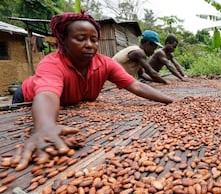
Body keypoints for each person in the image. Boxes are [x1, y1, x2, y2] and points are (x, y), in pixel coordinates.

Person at [11, 12, 174, 171]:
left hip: (70, 102)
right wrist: (45, 126)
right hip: (29, 99)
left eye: (94, 40)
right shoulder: (52, 63)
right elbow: (47, 94)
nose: (89, 44)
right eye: (80, 39)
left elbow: (136, 86)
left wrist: (172, 101)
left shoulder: (105, 64)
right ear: (64, 41)